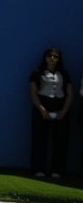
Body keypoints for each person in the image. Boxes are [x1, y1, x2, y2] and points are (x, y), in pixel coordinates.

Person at [29, 47, 72, 178]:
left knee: (60, 139)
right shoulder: (37, 73)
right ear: (45, 57)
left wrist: (64, 110)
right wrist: (41, 108)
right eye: (50, 56)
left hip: (59, 104)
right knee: (40, 139)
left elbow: (69, 93)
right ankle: (38, 168)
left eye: (55, 56)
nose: (52, 58)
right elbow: (33, 91)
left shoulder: (64, 74)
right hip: (43, 104)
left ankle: (57, 170)